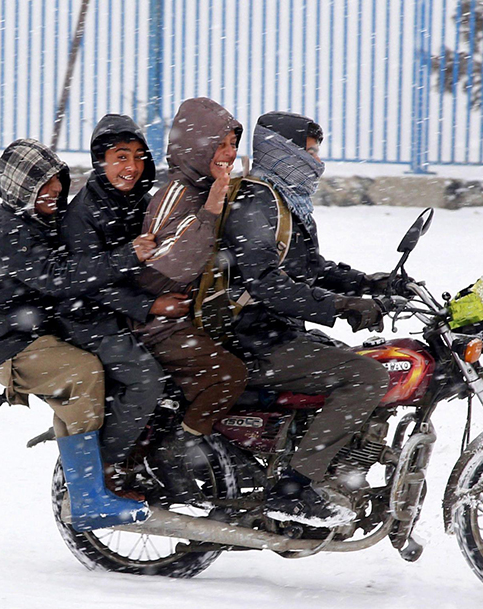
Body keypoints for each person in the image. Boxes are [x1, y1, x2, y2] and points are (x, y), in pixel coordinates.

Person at [221, 112, 392, 527]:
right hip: (254, 342)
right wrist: (337, 306)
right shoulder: (255, 201)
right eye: (309, 152)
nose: (317, 163)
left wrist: (371, 283)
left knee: (365, 361)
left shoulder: (286, 201)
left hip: (278, 334)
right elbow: (264, 281)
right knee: (366, 377)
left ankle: (328, 472)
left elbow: (311, 268)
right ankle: (293, 488)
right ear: (283, 151)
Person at [0, 138, 147, 530]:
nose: (54, 190)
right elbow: (58, 277)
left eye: (57, 179)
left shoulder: (47, 218)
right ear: (21, 188)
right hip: (13, 344)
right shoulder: (9, 231)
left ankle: (98, 479)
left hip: (47, 330)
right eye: (42, 183)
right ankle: (88, 497)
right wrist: (126, 257)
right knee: (82, 373)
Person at [59, 115, 189, 485]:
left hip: (128, 313)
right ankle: (101, 469)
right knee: (146, 379)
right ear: (101, 161)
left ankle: (168, 455)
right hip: (89, 320)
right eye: (120, 157)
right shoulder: (82, 213)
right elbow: (87, 282)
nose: (131, 167)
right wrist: (149, 306)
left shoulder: (141, 202)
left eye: (137, 156)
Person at [133, 98, 250, 465]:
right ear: (198, 144)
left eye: (233, 144)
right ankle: (178, 453)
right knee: (229, 375)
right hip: (155, 324)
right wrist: (212, 210)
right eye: (220, 144)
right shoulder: (177, 194)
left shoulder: (205, 187)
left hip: (187, 316)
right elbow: (171, 266)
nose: (229, 153)